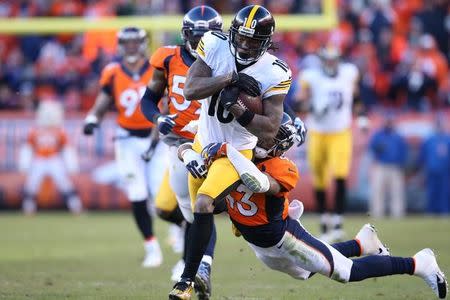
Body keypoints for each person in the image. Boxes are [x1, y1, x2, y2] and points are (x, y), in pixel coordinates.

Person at [199, 114, 447, 300]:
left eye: (273, 135)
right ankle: (362, 244)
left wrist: (226, 151)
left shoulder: (282, 168)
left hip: (284, 238)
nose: (265, 137)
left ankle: (418, 264)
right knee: (303, 272)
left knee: (346, 272)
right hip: (260, 244)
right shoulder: (237, 154)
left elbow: (259, 182)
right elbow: (219, 202)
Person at [169, 5, 292, 300]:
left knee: (203, 204)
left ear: (266, 42)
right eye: (242, 38)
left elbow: (270, 130)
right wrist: (229, 79)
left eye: (254, 41)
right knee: (197, 213)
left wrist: (237, 108)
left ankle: (184, 283)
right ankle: (203, 274)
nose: (246, 45)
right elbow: (191, 89)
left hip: (235, 152)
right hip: (203, 142)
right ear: (232, 33)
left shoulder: (275, 71)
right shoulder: (213, 43)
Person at [140, 5, 223, 293]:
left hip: (215, 142)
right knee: (189, 212)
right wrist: (158, 118)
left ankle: (201, 266)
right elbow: (149, 99)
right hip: (179, 144)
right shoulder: (167, 58)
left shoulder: (226, 59)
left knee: (204, 207)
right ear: (185, 35)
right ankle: (196, 266)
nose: (201, 44)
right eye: (196, 37)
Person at [83, 27, 163, 268]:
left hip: (156, 140)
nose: (130, 47)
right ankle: (152, 247)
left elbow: (166, 108)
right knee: (137, 194)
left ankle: (179, 234)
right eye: (126, 42)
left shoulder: (155, 70)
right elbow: (102, 103)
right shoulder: (113, 71)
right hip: (127, 140)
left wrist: (154, 140)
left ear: (142, 43)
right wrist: (92, 120)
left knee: (162, 198)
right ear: (120, 44)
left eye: (134, 42)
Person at [295, 44, 367, 242]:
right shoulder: (312, 77)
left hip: (340, 132)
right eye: (327, 59)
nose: (331, 63)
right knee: (319, 177)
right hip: (318, 133)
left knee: (340, 174)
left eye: (334, 59)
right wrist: (312, 107)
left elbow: (356, 95)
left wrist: (361, 117)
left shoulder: (348, 73)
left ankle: (337, 221)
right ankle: (324, 220)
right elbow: (297, 102)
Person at [19, 101, 82, 215]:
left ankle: (76, 208)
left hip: (54, 159)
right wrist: (24, 163)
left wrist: (72, 164)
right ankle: (28, 210)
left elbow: (67, 149)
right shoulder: (35, 130)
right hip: (39, 159)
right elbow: (28, 148)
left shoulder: (59, 131)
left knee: (65, 183)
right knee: (32, 184)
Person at [368, 115, 408, 218]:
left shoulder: (398, 136)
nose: (388, 123)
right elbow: (371, 147)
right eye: (387, 121)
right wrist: (378, 148)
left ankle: (397, 214)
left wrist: (402, 164)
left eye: (390, 121)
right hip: (381, 166)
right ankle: (377, 214)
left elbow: (404, 152)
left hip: (395, 167)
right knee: (378, 191)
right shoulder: (378, 135)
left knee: (396, 192)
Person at [417, 117, 450, 214]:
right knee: (431, 192)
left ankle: (444, 211)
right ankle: (431, 211)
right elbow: (422, 155)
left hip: (445, 171)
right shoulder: (429, 139)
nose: (439, 126)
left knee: (444, 192)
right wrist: (420, 169)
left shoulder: (448, 139)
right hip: (431, 170)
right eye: (437, 124)